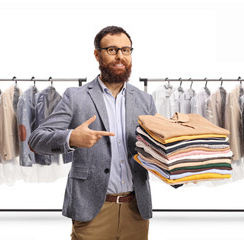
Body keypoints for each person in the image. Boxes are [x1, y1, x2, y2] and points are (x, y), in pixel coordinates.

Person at [28, 25, 156, 240]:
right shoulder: (75, 97)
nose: (120, 56)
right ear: (97, 54)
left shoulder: (145, 100)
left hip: (136, 210)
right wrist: (71, 138)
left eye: (126, 50)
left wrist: (180, 164)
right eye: (112, 50)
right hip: (93, 210)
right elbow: (37, 139)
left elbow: (155, 148)